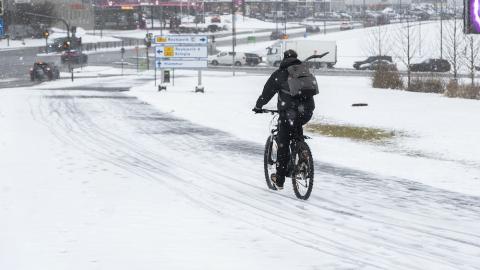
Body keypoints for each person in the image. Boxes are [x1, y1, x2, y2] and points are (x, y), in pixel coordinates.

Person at [252, 49, 315, 190]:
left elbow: (267, 92)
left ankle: (279, 180)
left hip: (289, 113)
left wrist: (258, 106)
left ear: (284, 59)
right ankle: (303, 156)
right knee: (297, 130)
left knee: (283, 143)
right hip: (307, 112)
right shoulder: (305, 71)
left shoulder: (280, 74)